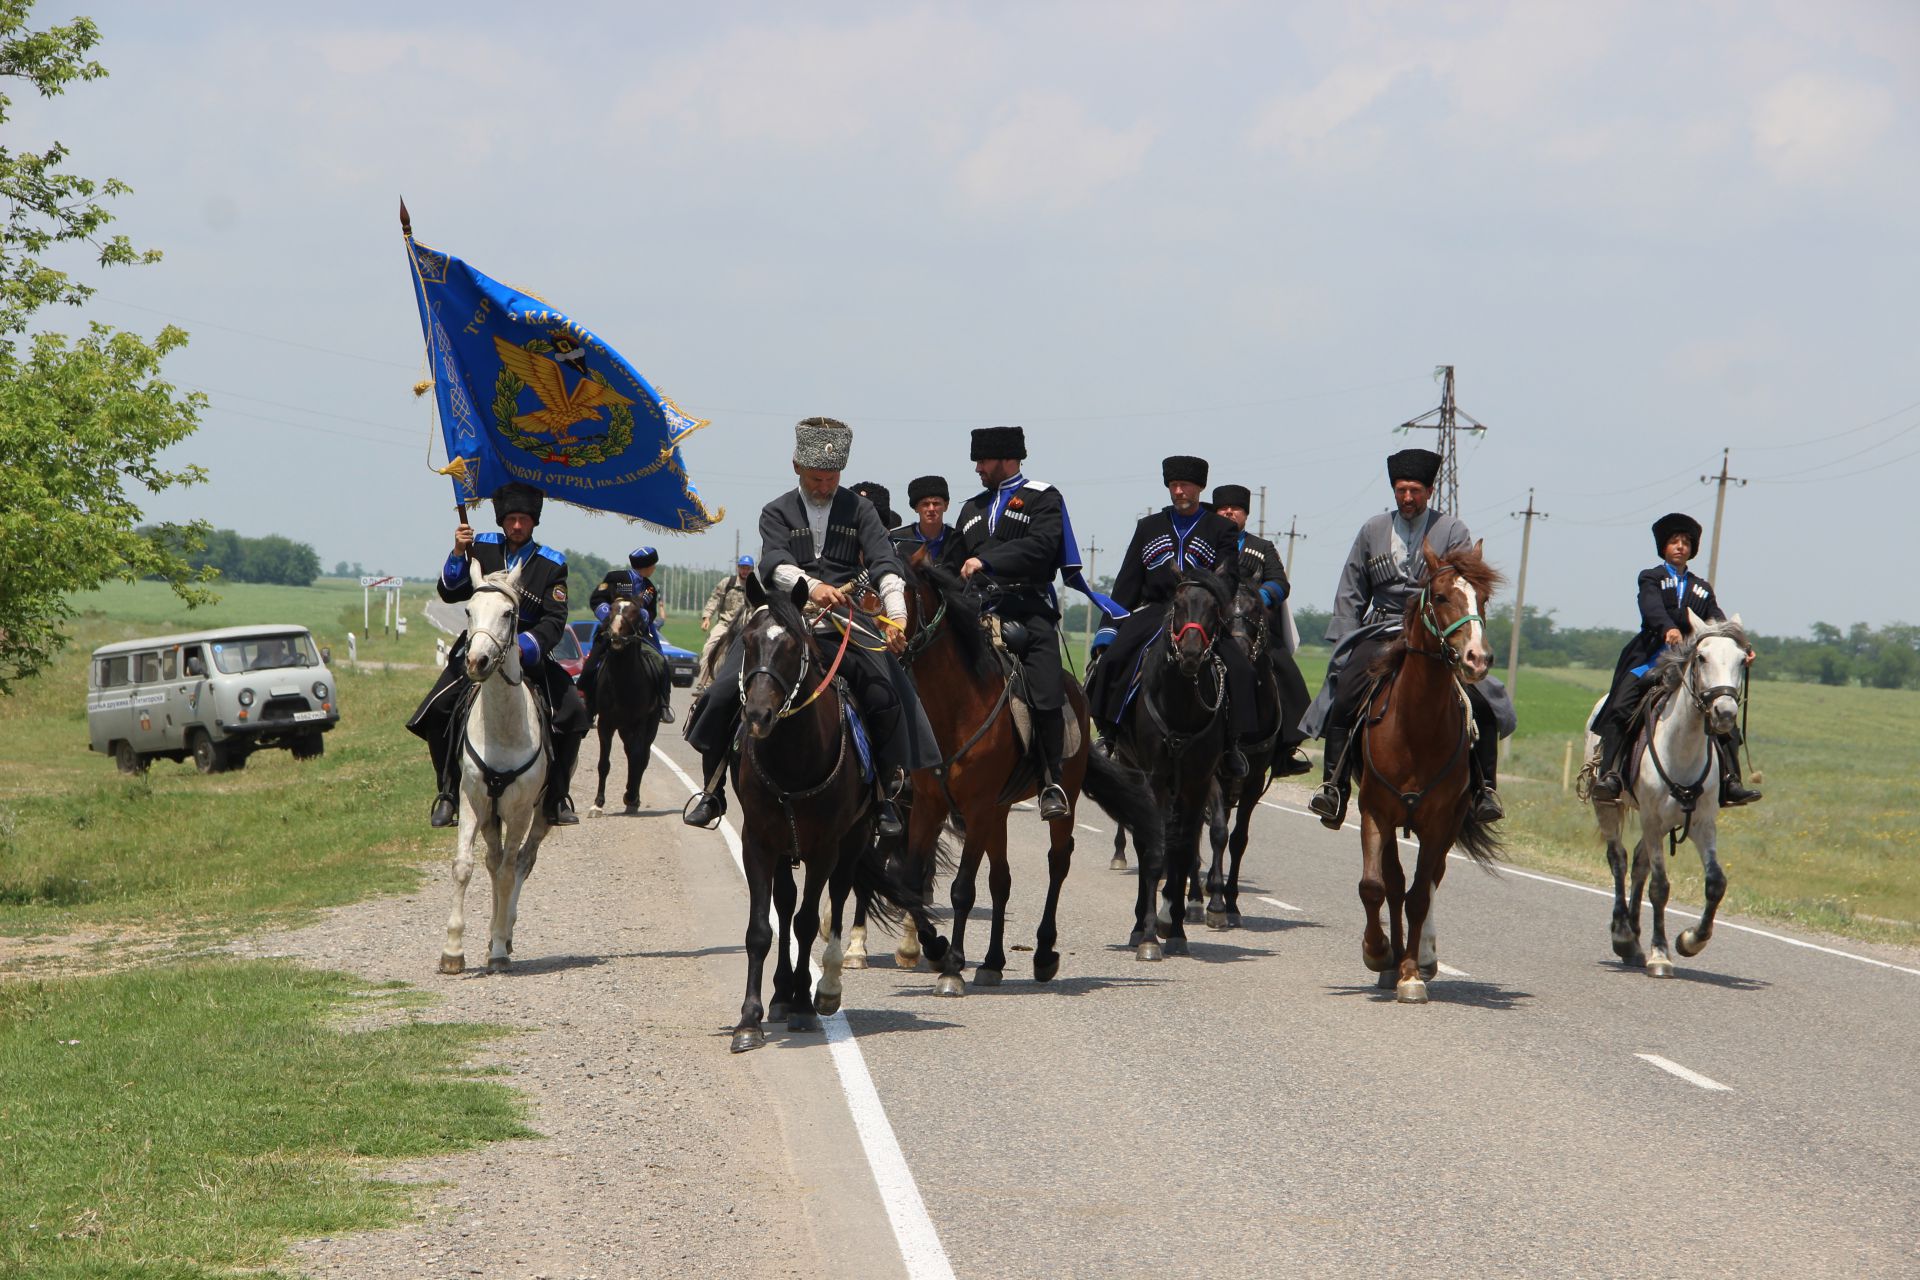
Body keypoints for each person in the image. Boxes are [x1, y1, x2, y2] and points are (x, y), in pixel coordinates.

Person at [681, 418, 941, 836]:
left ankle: (883, 796)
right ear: (796, 467)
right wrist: (814, 587)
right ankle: (712, 790)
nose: (825, 486)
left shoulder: (861, 511)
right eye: (817, 478)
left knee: (887, 692)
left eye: (832, 478)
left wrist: (898, 617)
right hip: (786, 617)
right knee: (724, 690)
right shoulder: (776, 511)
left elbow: (885, 564)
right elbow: (773, 563)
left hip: (844, 624)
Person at [1302, 449, 1512, 829]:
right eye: (1401, 490)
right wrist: (1346, 642)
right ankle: (1333, 787)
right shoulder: (1372, 530)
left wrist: (1463, 634)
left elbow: (1464, 589)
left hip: (1435, 633)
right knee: (1346, 692)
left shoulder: (1453, 531)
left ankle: (1483, 791)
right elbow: (1351, 589)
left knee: (1481, 702)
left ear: (1430, 490)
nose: (1408, 498)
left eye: (1415, 490)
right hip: (1379, 628)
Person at [407, 482, 589, 828]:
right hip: (479, 650)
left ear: (534, 522)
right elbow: (448, 592)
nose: (517, 526)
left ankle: (557, 797)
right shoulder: (481, 547)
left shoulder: (552, 564)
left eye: (523, 519)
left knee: (573, 713)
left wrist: (525, 649)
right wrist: (459, 553)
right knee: (436, 711)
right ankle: (447, 792)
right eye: (511, 519)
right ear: (502, 521)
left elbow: (554, 620)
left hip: (526, 654)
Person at [1084, 455, 1265, 777]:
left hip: (1203, 614)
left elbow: (1228, 579)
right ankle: (1108, 734)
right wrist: (1108, 631)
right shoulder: (1148, 527)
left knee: (1241, 670)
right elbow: (1127, 582)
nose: (1179, 491)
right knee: (1112, 662)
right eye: (1174, 485)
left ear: (1200, 488)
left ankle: (1232, 745)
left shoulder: (1220, 528)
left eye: (1185, 485)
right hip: (1155, 610)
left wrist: (1208, 596)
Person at [950, 426, 1097, 821]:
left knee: (1048, 690)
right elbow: (952, 564)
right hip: (977, 614)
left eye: (983, 461)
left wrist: (988, 561)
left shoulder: (1042, 497)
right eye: (977, 461)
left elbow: (1043, 546)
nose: (978, 468)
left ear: (1007, 459)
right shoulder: (970, 509)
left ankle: (1050, 780)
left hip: (1028, 612)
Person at [1591, 512, 1761, 806]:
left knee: (1724, 713)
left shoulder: (1702, 588)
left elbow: (1718, 621)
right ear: (1664, 547)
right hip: (1651, 655)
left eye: (1685, 542)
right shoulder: (1651, 577)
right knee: (1621, 705)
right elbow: (1651, 607)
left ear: (1692, 549)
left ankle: (1730, 781)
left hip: (1692, 662)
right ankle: (1610, 775)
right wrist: (1667, 627)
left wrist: (1740, 646)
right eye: (1674, 541)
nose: (1680, 546)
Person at [1210, 484, 1314, 778]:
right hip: (1213, 624)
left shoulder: (1262, 548)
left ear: (1246, 514)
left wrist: (1259, 599)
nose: (1230, 512)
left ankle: (1286, 748)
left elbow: (1280, 582)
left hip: (1253, 627)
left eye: (1236, 509)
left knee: (1286, 671)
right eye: (1223, 509)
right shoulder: (1206, 542)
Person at [581, 548, 674, 724]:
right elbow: (596, 599)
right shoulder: (615, 578)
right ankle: (590, 705)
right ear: (647, 566)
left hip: (640, 633)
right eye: (653, 565)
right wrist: (609, 616)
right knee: (591, 665)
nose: (654, 568)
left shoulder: (650, 588)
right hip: (613, 629)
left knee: (661, 662)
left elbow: (652, 612)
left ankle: (663, 705)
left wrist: (646, 616)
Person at [694, 556, 754, 694]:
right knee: (709, 647)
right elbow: (714, 599)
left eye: (748, 568)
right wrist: (707, 617)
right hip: (725, 624)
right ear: (738, 568)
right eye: (743, 568)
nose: (745, 571)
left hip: (745, 628)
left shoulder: (754, 586)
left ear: (752, 570)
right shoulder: (728, 582)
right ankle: (702, 683)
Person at [891, 475, 953, 563]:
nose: (931, 509)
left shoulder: (957, 540)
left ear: (946, 506)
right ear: (916, 507)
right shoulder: (896, 540)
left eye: (936, 503)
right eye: (925, 504)